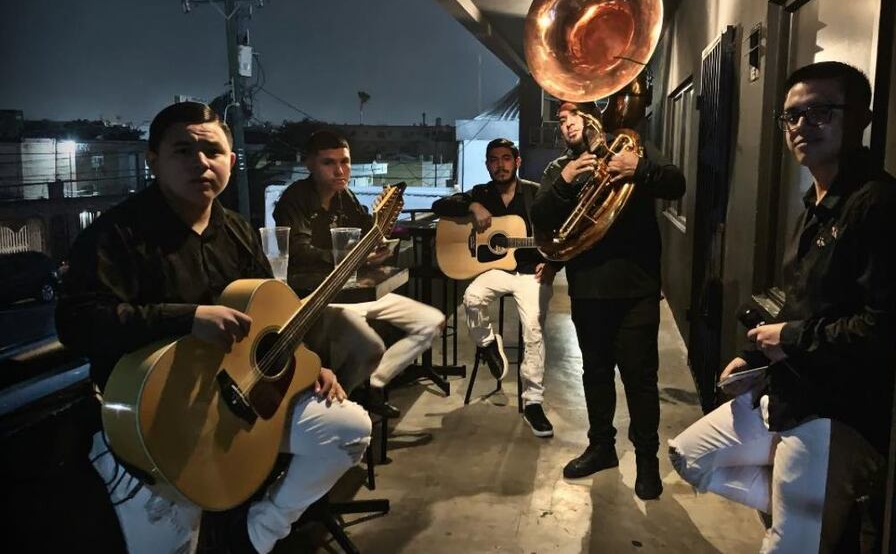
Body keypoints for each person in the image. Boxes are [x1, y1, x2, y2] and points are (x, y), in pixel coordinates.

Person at [56, 102, 373, 554]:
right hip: (155, 419)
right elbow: (77, 322)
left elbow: (271, 315)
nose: (201, 162)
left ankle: (259, 532)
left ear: (231, 160)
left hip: (236, 398)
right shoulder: (117, 233)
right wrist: (188, 317)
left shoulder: (238, 231)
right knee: (173, 543)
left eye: (213, 151)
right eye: (183, 150)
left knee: (346, 430)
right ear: (153, 161)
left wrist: (307, 364)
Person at [667, 61, 896, 552]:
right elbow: (801, 302)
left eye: (820, 113)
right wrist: (755, 356)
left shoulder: (878, 204)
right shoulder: (813, 205)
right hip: (789, 391)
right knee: (689, 455)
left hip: (834, 410)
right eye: (792, 116)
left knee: (788, 548)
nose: (801, 126)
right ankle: (815, 513)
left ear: (859, 118)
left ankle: (812, 519)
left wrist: (789, 339)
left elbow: (886, 327)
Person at [532, 102, 686, 500]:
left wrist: (638, 169)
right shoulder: (558, 169)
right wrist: (567, 179)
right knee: (595, 374)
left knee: (640, 378)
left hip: (637, 288)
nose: (566, 123)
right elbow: (541, 218)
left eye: (573, 115)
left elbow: (676, 183)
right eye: (561, 119)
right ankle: (602, 447)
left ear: (591, 115)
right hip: (588, 289)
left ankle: (647, 460)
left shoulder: (630, 147)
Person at [273, 130, 444, 419]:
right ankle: (335, 405)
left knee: (431, 321)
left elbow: (368, 232)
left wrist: (380, 245)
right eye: (329, 163)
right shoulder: (294, 199)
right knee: (370, 345)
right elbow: (298, 250)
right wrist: (347, 258)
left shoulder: (346, 197)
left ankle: (374, 383)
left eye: (345, 162)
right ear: (310, 164)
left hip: (355, 289)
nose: (340, 171)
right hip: (320, 298)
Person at [431, 138, 559, 437]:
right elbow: (439, 205)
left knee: (533, 329)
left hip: (530, 273)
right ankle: (488, 344)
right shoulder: (482, 193)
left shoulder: (535, 194)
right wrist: (472, 205)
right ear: (487, 164)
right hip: (497, 271)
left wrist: (553, 263)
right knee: (472, 297)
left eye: (506, 158)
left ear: (517, 162)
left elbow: (559, 232)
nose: (500, 165)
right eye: (493, 160)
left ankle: (533, 402)